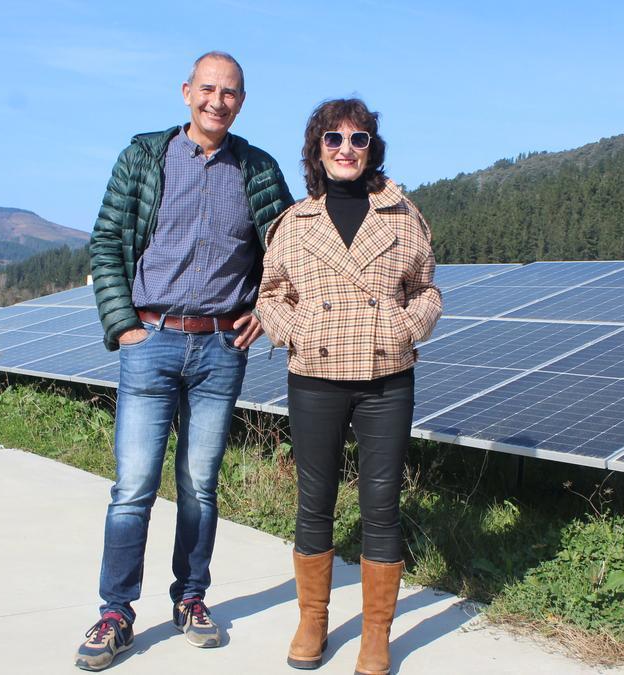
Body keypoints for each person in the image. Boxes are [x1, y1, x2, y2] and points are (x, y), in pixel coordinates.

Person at [77, 51, 293, 671]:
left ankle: (191, 599)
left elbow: (282, 250)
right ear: (185, 92)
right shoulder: (144, 157)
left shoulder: (258, 168)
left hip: (221, 348)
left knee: (200, 486)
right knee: (134, 487)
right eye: (207, 89)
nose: (216, 101)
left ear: (241, 102)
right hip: (151, 339)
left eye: (229, 93)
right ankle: (115, 612)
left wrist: (265, 308)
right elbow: (108, 240)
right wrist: (122, 326)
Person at [255, 98, 442, 675]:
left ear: (371, 149)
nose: (345, 148)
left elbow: (427, 291)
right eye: (333, 138)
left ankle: (376, 636)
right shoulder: (294, 221)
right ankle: (313, 620)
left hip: (387, 376)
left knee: (381, 506)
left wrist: (402, 328)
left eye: (358, 139)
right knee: (314, 503)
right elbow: (269, 295)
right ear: (317, 149)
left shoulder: (402, 215)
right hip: (314, 374)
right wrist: (299, 330)